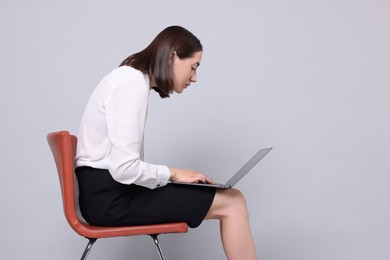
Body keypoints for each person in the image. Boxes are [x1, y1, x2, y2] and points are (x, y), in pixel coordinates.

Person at [75, 25, 258, 260]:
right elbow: (124, 169)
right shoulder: (131, 85)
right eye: (193, 67)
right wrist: (174, 173)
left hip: (105, 194)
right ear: (172, 56)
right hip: (111, 200)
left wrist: (175, 176)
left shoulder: (128, 78)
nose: (194, 78)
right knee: (233, 201)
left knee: (230, 198)